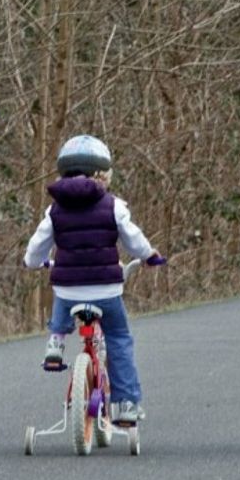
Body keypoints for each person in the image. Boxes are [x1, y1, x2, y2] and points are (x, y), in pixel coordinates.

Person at [23, 135, 163, 424]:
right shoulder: (113, 205)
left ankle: (56, 344)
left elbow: (37, 246)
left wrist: (32, 263)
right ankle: (126, 405)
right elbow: (133, 239)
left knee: (63, 296)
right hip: (106, 289)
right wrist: (149, 255)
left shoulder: (54, 209)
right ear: (102, 173)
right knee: (119, 339)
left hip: (68, 291)